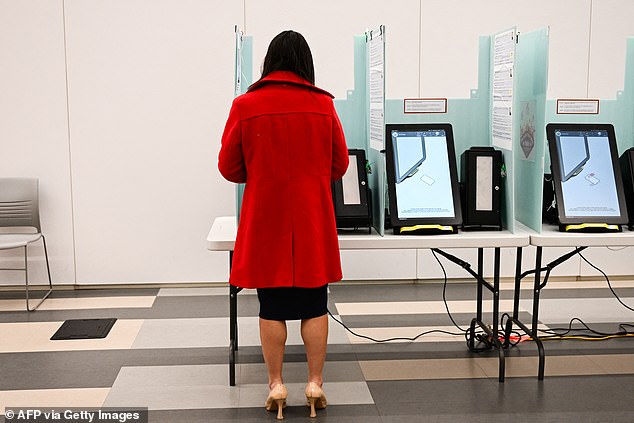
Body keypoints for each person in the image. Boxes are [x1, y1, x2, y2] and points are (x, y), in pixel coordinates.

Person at [218, 30, 349, 419]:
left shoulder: (245, 105)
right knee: (314, 304)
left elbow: (229, 167)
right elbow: (339, 165)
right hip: (311, 219)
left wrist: (260, 173)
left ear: (268, 63)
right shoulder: (324, 106)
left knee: (271, 306)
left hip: (266, 219)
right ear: (305, 64)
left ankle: (276, 385)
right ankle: (314, 382)